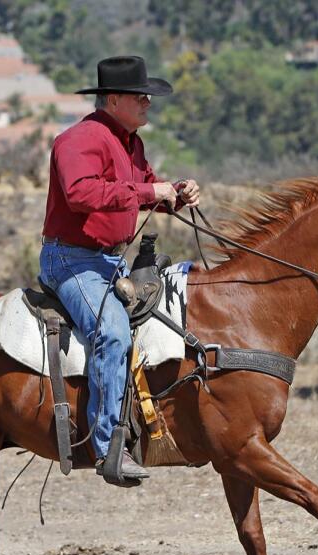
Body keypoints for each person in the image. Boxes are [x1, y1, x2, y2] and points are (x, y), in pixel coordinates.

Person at [39, 55, 200, 486]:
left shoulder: (131, 142)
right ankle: (109, 445)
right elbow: (80, 193)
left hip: (110, 261)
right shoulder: (78, 140)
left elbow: (139, 190)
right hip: (71, 261)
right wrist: (151, 189)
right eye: (139, 95)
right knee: (111, 331)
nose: (148, 101)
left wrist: (173, 194)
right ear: (113, 99)